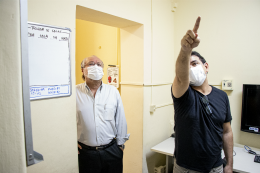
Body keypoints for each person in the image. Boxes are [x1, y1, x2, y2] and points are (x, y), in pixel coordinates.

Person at [171, 17, 233, 173]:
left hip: (215, 167)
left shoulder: (222, 96)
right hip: (186, 169)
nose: (191, 68)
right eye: (188, 65)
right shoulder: (183, 95)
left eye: (194, 64)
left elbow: (227, 132)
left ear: (206, 67)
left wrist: (229, 165)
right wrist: (185, 50)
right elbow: (181, 76)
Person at [76, 55, 130, 173]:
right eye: (91, 64)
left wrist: (120, 146)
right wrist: (71, 143)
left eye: (99, 64)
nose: (96, 66)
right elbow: (66, 122)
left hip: (111, 152)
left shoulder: (113, 92)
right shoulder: (74, 93)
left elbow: (120, 119)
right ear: (82, 70)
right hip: (85, 154)